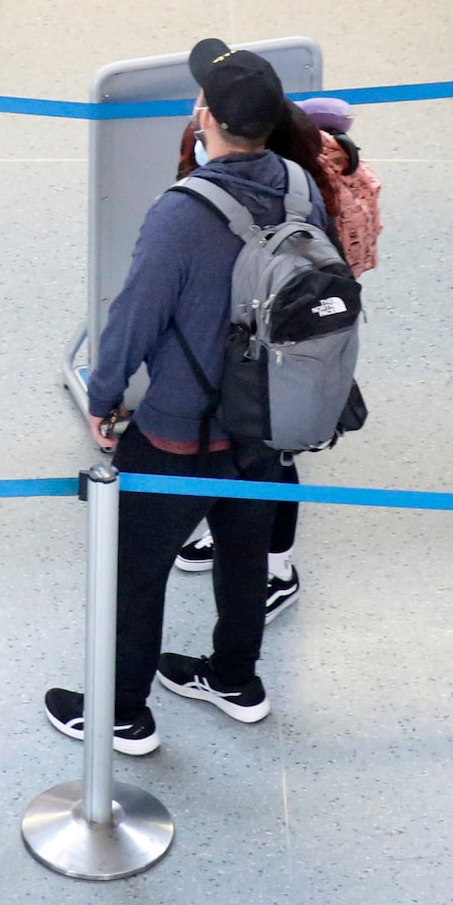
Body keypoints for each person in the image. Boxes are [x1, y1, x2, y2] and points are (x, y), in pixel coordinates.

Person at [49, 41, 325, 756]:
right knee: (243, 551)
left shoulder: (182, 212)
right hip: (267, 419)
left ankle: (121, 714)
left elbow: (134, 319)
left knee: (134, 571)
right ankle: (235, 679)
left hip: (182, 430)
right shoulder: (299, 184)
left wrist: (103, 399)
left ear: (204, 114)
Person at [171, 97, 380, 610]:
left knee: (275, 452)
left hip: (292, 338)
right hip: (255, 328)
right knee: (236, 442)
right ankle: (228, 534)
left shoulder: (302, 189)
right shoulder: (294, 169)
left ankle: (277, 567)